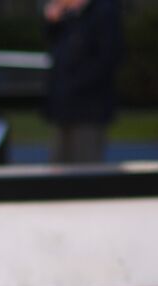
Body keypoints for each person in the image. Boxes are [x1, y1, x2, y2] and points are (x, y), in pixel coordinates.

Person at [43, 0, 123, 164]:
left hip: (89, 109)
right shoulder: (70, 15)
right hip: (64, 108)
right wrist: (52, 22)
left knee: (86, 169)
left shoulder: (103, 12)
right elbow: (56, 47)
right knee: (57, 168)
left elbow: (108, 59)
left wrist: (74, 86)